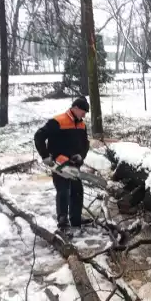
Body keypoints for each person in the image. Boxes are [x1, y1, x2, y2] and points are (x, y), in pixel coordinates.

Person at [34, 97, 90, 231]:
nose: (84, 115)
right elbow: (39, 136)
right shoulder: (58, 121)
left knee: (77, 190)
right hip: (59, 163)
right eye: (83, 111)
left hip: (74, 164)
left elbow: (85, 143)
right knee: (63, 191)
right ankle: (62, 219)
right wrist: (45, 155)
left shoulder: (81, 125)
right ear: (75, 108)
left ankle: (76, 218)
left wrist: (81, 155)